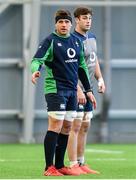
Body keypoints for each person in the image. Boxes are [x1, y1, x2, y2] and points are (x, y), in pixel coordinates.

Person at [31, 9, 96, 176]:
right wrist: (35, 70)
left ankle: (60, 166)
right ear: (56, 24)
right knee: (56, 126)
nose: (64, 25)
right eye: (61, 22)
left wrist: (88, 90)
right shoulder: (50, 41)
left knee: (67, 127)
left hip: (72, 91)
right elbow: (37, 59)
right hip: (56, 89)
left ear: (70, 23)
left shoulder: (76, 41)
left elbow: (81, 66)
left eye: (66, 22)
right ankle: (49, 167)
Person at [67, 7, 105, 175]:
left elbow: (93, 59)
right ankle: (73, 163)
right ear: (77, 20)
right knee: (74, 126)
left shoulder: (92, 37)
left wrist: (100, 79)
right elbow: (70, 67)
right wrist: (78, 89)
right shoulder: (72, 39)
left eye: (89, 18)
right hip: (76, 89)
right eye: (84, 18)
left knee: (85, 126)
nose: (88, 21)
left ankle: (82, 162)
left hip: (88, 89)